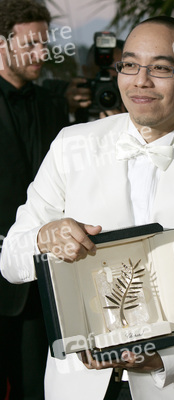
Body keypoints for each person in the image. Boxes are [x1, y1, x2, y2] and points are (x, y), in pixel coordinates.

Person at [0, 15, 174, 400]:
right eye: (130, 64)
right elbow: (10, 258)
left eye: (161, 68)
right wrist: (44, 236)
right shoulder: (71, 145)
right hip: (76, 384)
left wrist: (162, 358)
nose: (141, 80)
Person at [0, 0, 69, 399]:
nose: (42, 53)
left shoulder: (53, 105)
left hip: (37, 280)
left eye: (44, 43)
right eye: (30, 45)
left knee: (35, 391)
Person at [43, 39, 125, 121]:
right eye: (99, 80)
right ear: (85, 72)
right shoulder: (66, 97)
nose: (106, 91)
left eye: (114, 81)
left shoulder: (133, 105)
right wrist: (66, 108)